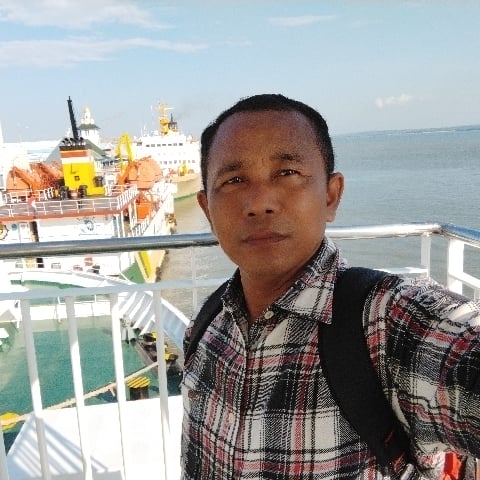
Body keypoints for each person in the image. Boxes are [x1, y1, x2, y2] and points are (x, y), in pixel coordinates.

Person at [181, 94, 480, 479]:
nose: (259, 202)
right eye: (234, 180)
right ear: (207, 209)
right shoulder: (206, 325)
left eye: (287, 172)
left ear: (331, 196)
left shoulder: (388, 328)